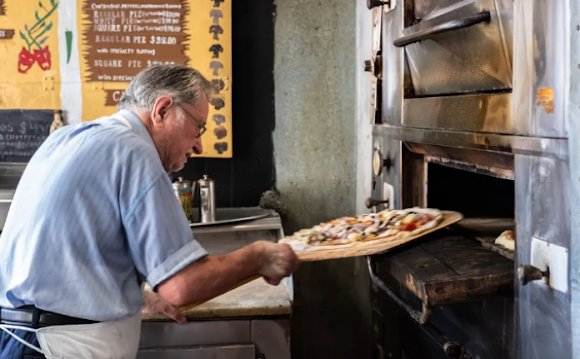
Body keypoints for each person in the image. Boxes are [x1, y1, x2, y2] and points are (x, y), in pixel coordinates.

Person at [0, 64, 300, 358]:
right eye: (199, 127)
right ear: (163, 110)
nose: (199, 145)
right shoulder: (134, 151)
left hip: (18, 337)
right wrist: (261, 256)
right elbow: (181, 286)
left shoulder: (67, 138)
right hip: (60, 345)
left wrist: (140, 296)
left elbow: (69, 250)